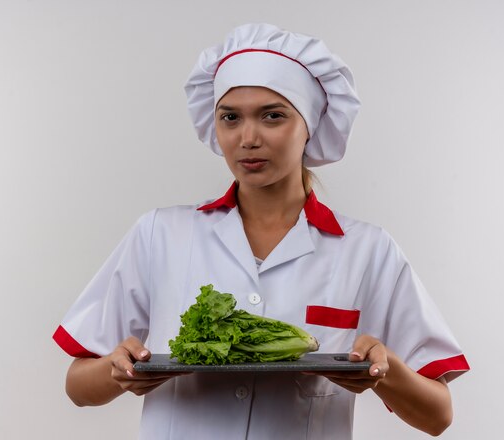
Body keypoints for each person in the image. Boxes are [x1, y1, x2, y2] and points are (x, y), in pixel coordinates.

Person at [53, 23, 470, 439]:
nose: (247, 139)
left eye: (273, 116)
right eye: (230, 118)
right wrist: (119, 373)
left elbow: (438, 415)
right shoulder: (159, 234)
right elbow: (78, 386)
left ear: (310, 124)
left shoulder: (369, 251)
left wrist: (385, 371)